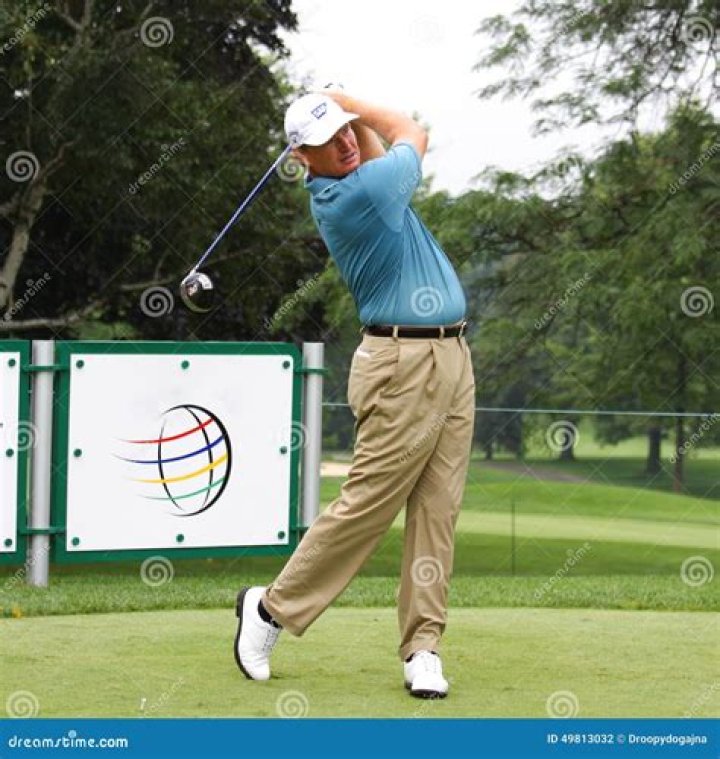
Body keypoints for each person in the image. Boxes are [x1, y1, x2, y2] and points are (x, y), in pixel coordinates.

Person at [234, 90, 475, 699]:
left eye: (344, 130)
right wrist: (347, 100)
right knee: (368, 504)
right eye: (327, 140)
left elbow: (370, 150)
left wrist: (340, 116)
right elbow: (410, 130)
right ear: (301, 159)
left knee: (438, 509)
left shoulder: (361, 178)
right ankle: (268, 610)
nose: (344, 142)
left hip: (451, 355)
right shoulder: (358, 195)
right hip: (402, 364)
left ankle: (423, 648)